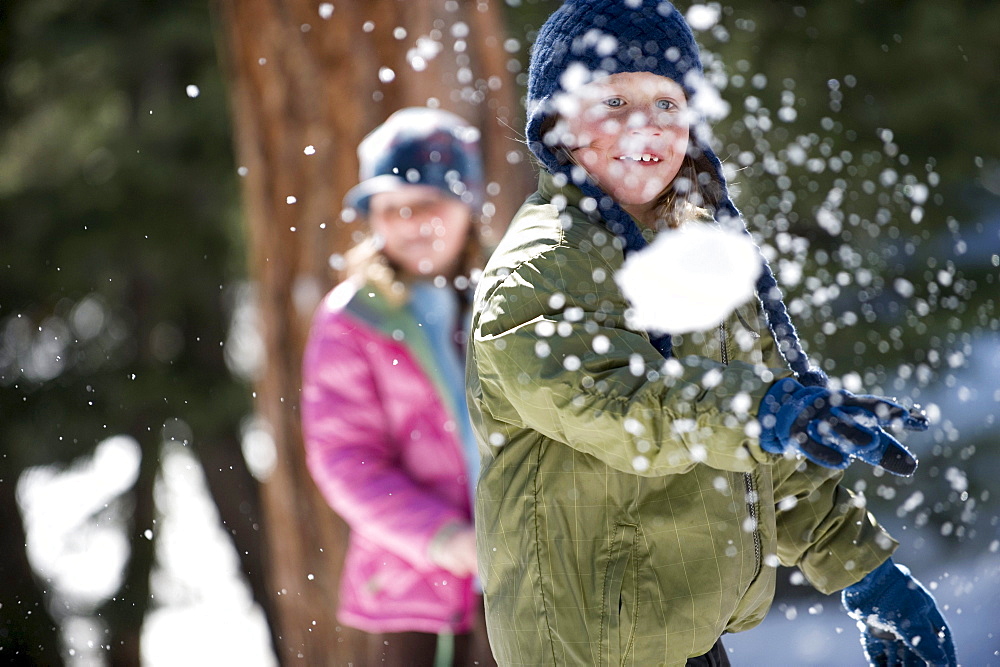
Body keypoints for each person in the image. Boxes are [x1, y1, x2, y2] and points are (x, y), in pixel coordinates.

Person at [465, 1, 957, 665]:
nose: (646, 124)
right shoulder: (541, 267)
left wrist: (861, 566)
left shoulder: (696, 250)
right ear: (558, 122)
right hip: (589, 646)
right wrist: (760, 410)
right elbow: (627, 409)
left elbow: (765, 441)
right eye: (614, 98)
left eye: (668, 103)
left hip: (687, 635)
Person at [301, 107, 495, 666]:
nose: (412, 223)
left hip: (523, 577)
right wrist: (445, 539)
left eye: (429, 203)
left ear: (466, 207)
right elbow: (346, 460)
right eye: (391, 210)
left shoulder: (507, 299)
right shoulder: (353, 321)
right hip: (414, 591)